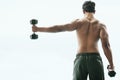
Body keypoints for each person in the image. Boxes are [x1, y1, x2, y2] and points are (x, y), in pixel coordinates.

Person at [32, 1, 114, 80]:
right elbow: (106, 45)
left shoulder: (78, 23)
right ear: (94, 11)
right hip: (95, 59)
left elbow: (59, 28)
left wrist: (38, 29)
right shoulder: (101, 26)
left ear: (83, 11)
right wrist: (111, 65)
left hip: (80, 59)